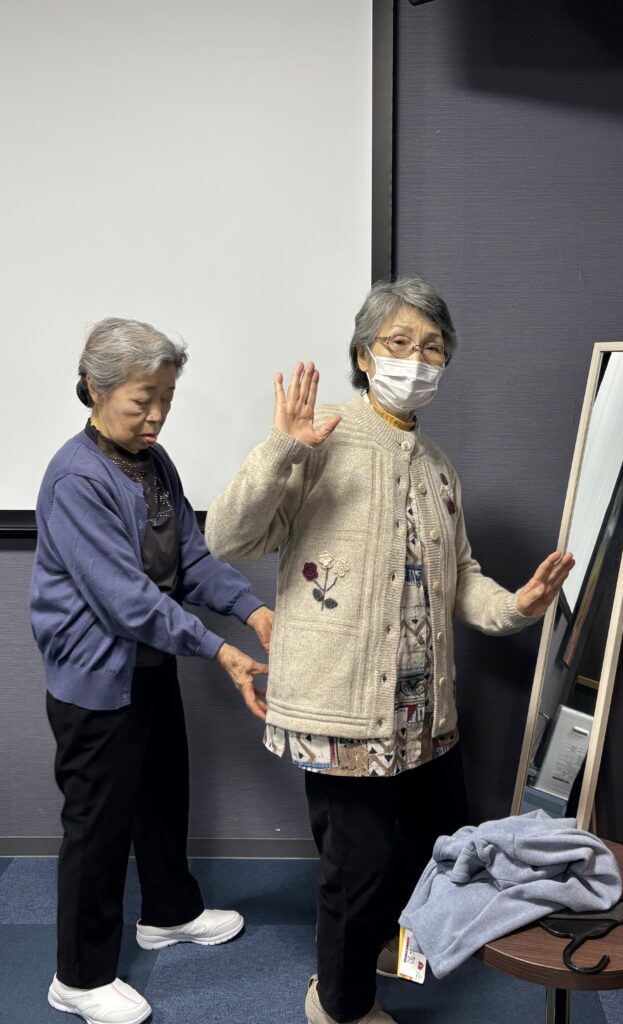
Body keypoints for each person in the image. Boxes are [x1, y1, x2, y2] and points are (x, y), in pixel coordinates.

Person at [205, 278, 574, 1024]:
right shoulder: (319, 438)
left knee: (429, 846)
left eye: (432, 348)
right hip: (342, 706)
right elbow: (228, 538)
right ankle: (339, 1005)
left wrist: (518, 607)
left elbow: (460, 577)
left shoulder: (437, 465)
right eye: (399, 343)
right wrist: (282, 447)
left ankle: (381, 947)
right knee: (358, 865)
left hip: (423, 710)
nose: (417, 359)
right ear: (364, 356)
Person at [31, 318, 273, 1024]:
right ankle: (78, 977)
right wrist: (220, 649)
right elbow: (127, 600)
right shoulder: (76, 478)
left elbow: (189, 559)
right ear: (96, 389)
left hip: (148, 663)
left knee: (163, 793)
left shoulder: (154, 463)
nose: (158, 415)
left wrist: (252, 610)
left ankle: (168, 912)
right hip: (95, 676)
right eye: (144, 400)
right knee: (98, 827)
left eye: (167, 398)